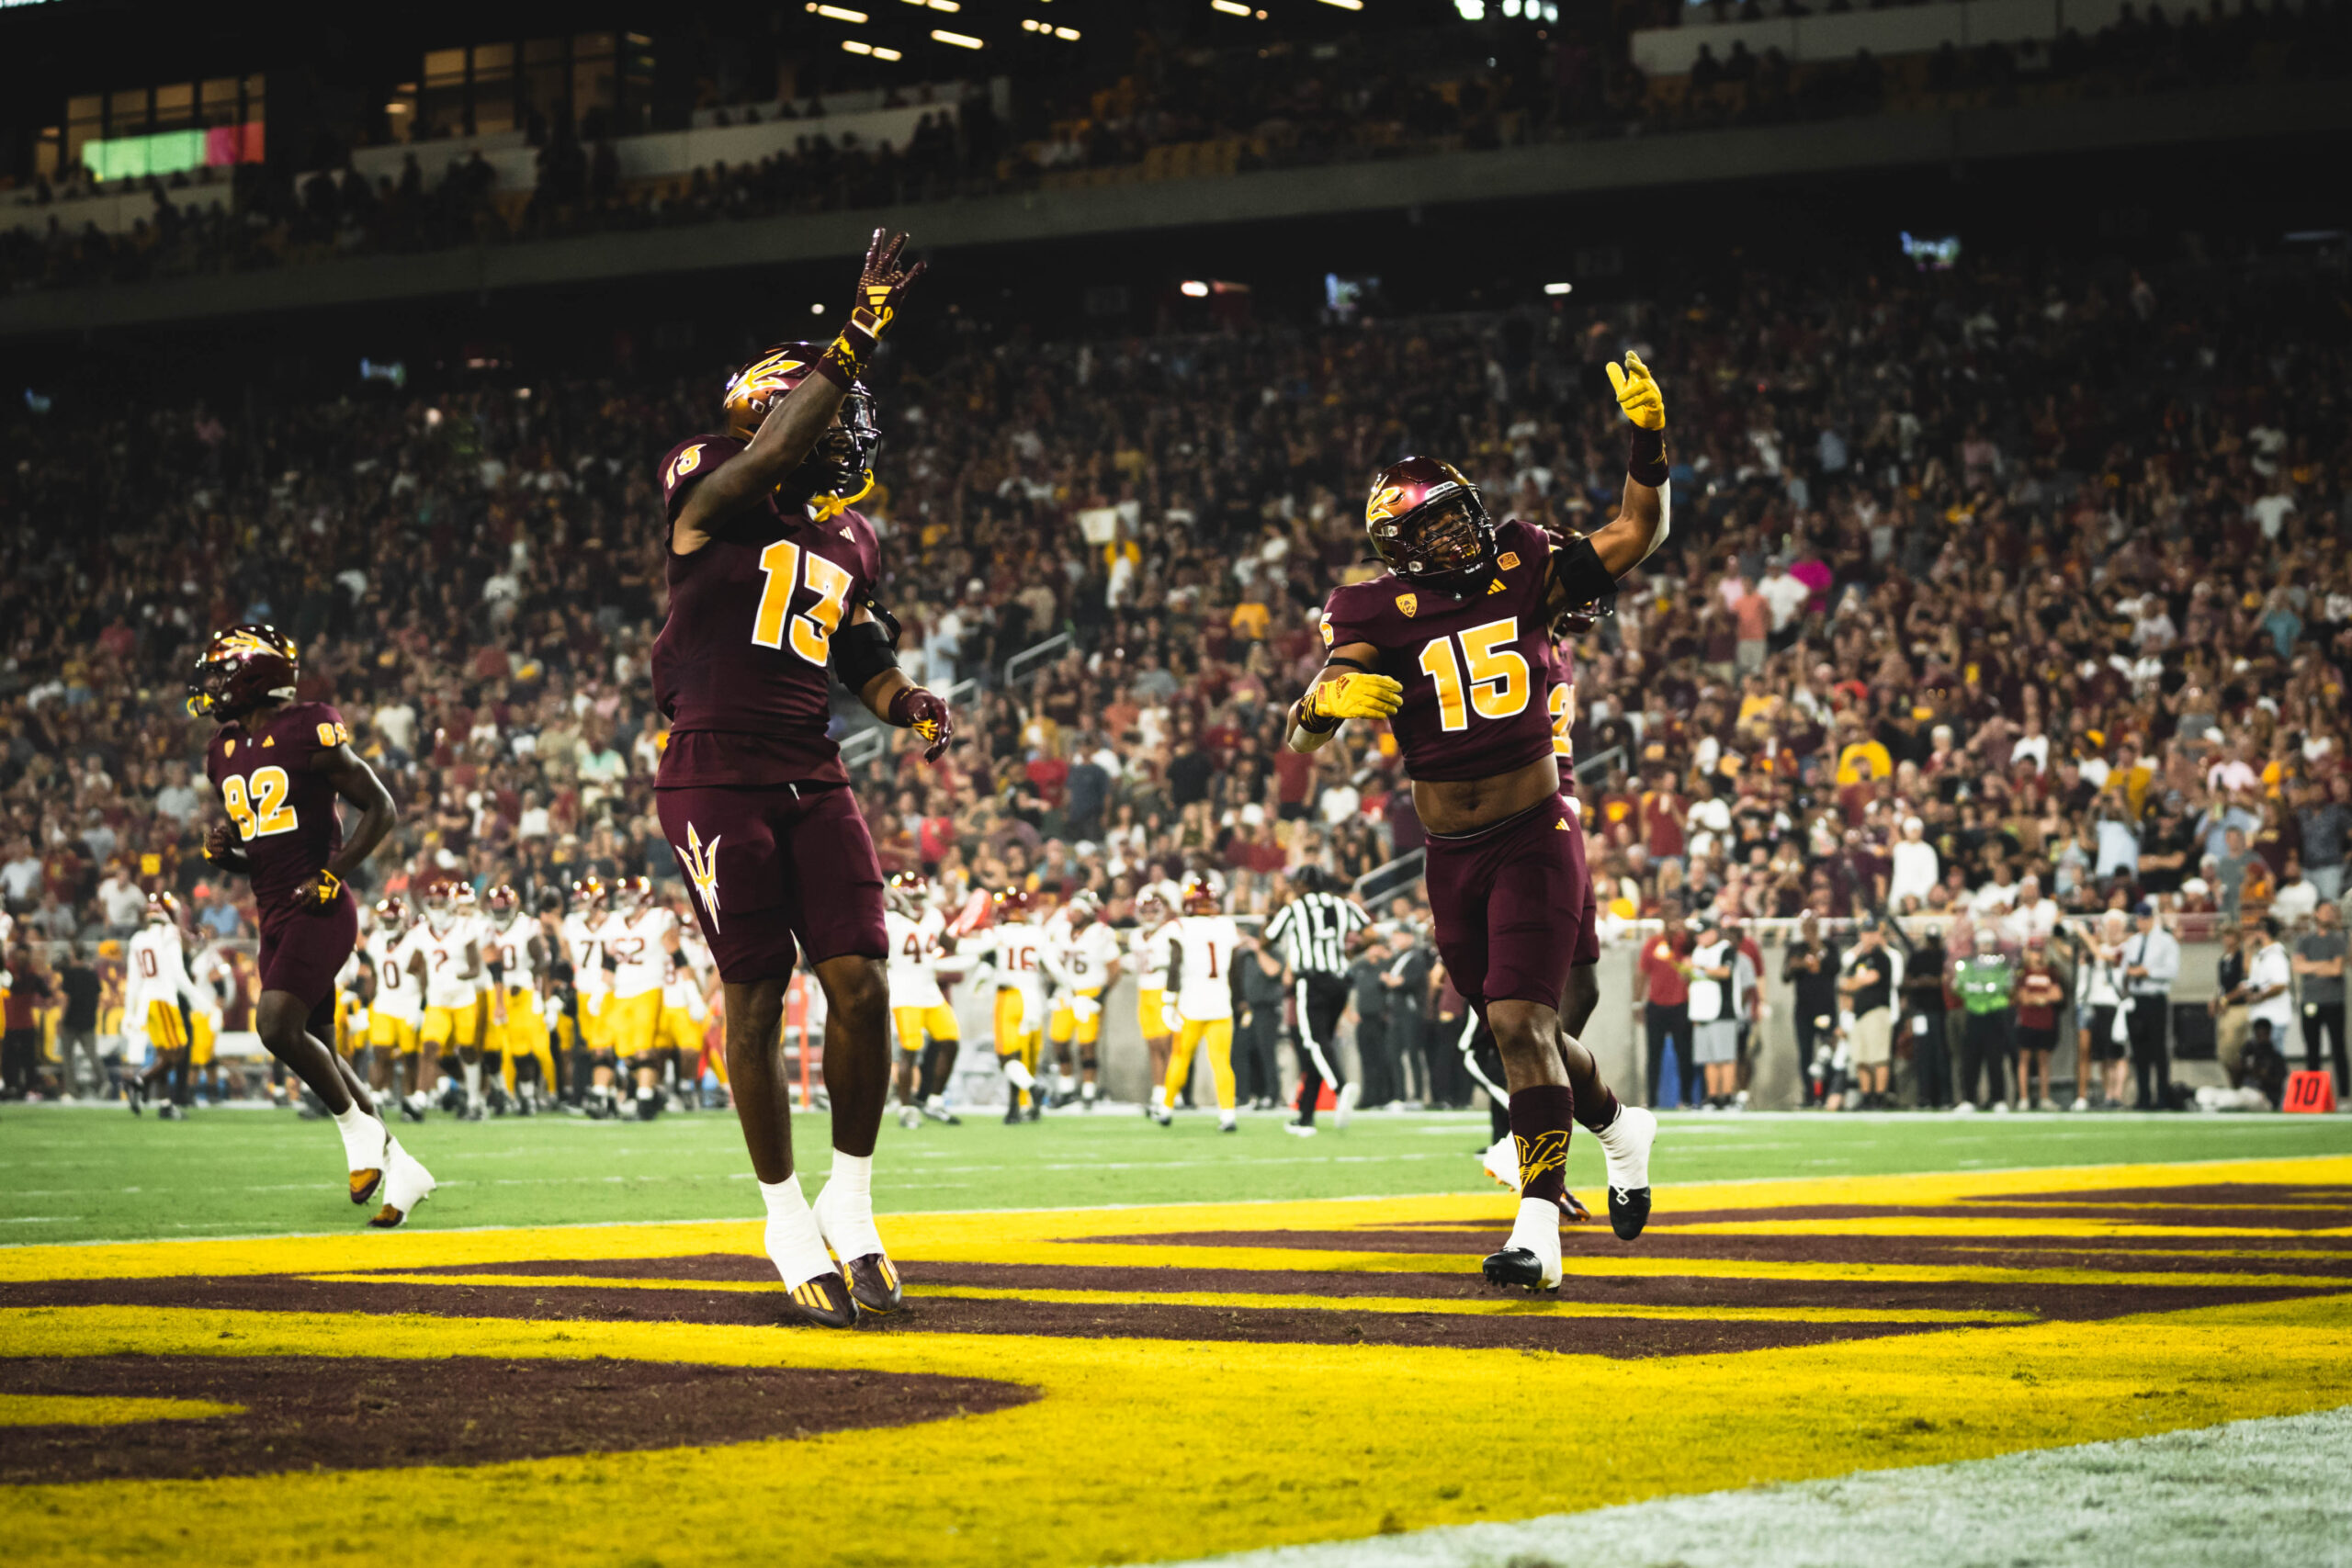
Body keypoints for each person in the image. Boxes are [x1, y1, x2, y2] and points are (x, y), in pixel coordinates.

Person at [1283, 350, 1667, 1290]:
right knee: (1516, 1030)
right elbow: (1311, 720)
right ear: (1397, 545)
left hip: (1538, 829)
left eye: (1462, 515)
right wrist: (1322, 706)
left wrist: (1649, 442)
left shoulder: (1525, 561)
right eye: (1438, 526)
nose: (1462, 535)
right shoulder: (1367, 606)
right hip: (1447, 852)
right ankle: (1620, 1125)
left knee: (1521, 1020)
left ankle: (1534, 1233)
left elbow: (1633, 533)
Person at [649, 229, 939, 1328]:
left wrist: (904, 701)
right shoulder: (705, 481)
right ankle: (781, 1215)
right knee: (758, 998)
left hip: (811, 766)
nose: (848, 431)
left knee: (863, 980)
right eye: (832, 408)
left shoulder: (852, 536)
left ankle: (852, 1203)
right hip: (715, 772)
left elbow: (857, 650)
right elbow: (765, 464)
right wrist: (857, 328)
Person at [191, 624, 430, 1224]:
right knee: (317, 1043)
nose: (215, 684)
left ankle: (357, 1131)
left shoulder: (307, 726)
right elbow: (268, 846)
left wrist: (335, 870)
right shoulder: (222, 749)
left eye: (224, 671)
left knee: (274, 1024)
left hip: (321, 907)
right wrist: (231, 855)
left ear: (256, 673)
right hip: (272, 908)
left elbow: (381, 807)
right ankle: (403, 1167)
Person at [1265, 864, 1368, 1134]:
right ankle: (1305, 1116)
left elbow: (1267, 939)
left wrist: (1276, 905)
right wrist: (1350, 952)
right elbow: (1371, 933)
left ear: (1304, 884)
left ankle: (1340, 1087)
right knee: (1322, 1045)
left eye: (1296, 884)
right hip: (1339, 981)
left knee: (1313, 1042)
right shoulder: (1341, 904)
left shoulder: (1295, 909)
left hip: (1311, 981)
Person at [1158, 874, 1241, 1131]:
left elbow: (1174, 965)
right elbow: (1235, 968)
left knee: (1180, 1058)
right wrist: (1240, 1001)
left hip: (1191, 1004)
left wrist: (1168, 1000)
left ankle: (1166, 1108)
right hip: (1220, 1003)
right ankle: (1228, 1114)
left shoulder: (1180, 926)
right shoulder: (1227, 926)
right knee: (1221, 1062)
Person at [883, 871, 961, 1128]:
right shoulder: (889, 920)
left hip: (930, 990)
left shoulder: (934, 916)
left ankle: (935, 1101)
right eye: (913, 897)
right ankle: (907, 1108)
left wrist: (972, 943)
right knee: (910, 1050)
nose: (918, 902)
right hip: (905, 992)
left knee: (951, 1040)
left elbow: (949, 943)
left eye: (920, 896)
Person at [969, 888, 1050, 1122]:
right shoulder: (1037, 933)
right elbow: (1052, 964)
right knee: (1025, 1056)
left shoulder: (995, 933)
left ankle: (1032, 1089)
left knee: (1007, 1057)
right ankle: (1016, 1108)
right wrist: (1068, 988)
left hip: (1010, 997)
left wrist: (977, 986)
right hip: (1033, 997)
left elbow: (986, 965)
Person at [603, 874, 678, 1120]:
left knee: (644, 1048)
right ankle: (651, 1092)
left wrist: (689, 991)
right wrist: (601, 990)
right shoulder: (614, 921)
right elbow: (608, 960)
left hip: (649, 986)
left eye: (630, 895)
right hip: (622, 990)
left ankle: (644, 1100)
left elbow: (676, 953)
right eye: (623, 895)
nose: (625, 900)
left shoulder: (660, 918)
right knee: (626, 1052)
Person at [411, 881, 487, 1118]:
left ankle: (474, 1099)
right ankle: (419, 1099)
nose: (436, 908)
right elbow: (415, 966)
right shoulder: (422, 932)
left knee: (467, 1050)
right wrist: (422, 995)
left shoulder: (465, 927)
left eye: (441, 903)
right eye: (432, 903)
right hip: (437, 1001)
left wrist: (454, 975)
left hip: (463, 998)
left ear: (451, 904)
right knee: (430, 1048)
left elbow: (476, 968)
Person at [123, 894, 203, 1118]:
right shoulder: (169, 934)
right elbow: (178, 973)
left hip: (147, 1000)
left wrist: (130, 1012)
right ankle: (141, 1081)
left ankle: (163, 1101)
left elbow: (133, 981)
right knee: (176, 1052)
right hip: (164, 999)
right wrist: (200, 1001)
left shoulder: (138, 939)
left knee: (165, 1055)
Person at [481, 884, 557, 1113]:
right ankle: (508, 1095)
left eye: (505, 910)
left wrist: (527, 979)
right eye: (498, 910)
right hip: (496, 993)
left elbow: (541, 960)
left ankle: (535, 1096)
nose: (501, 915)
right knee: (501, 1049)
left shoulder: (527, 926)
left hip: (523, 992)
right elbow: (491, 964)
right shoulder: (486, 929)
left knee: (529, 1049)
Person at [1042, 889, 1121, 1108]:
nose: (1074, 914)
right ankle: (1066, 1088)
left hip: (1089, 991)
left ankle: (1088, 1091)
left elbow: (1115, 968)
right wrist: (1051, 989)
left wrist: (1100, 997)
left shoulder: (1101, 932)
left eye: (1079, 910)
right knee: (1058, 1041)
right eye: (1073, 910)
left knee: (1087, 1044)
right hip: (1065, 992)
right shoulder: (1062, 931)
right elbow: (1052, 964)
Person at [2119, 902, 2181, 1110]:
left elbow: (2172, 971)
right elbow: (2125, 968)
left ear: (2152, 919)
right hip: (2136, 999)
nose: (2141, 922)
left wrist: (2147, 972)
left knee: (2158, 1050)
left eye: (2144, 918)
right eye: (2138, 918)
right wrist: (2127, 977)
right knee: (2139, 1051)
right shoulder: (2133, 942)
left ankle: (2162, 1097)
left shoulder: (2166, 941)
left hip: (2155, 998)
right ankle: (2143, 1097)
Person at [2071, 910, 2132, 1111]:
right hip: (2098, 1005)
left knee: (2118, 1054)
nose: (2113, 931)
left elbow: (2104, 956)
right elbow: (2091, 957)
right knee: (2104, 1056)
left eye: (2117, 926)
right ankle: (2108, 1095)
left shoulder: (2127, 948)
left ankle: (2118, 1094)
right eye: (2110, 926)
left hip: (2115, 1005)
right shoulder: (2099, 947)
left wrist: (2085, 934)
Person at [1129, 883, 1179, 1120]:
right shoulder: (1135, 936)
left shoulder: (1169, 932)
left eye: (1153, 911)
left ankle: (1172, 1092)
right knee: (1152, 1045)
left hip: (1161, 990)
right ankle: (1158, 1093)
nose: (1149, 915)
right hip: (1144, 991)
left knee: (1165, 1044)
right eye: (1145, 911)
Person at [1953, 927, 2015, 1112]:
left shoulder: (2002, 965)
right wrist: (1986, 989)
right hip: (1974, 1012)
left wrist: (1981, 988)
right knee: (1970, 1058)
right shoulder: (1968, 964)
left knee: (1995, 1058)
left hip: (1995, 1014)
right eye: (1983, 944)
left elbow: (2005, 986)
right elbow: (1960, 986)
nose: (1986, 947)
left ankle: (1998, 1098)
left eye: (1989, 943)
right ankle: (1968, 1098)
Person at [1784, 912, 1843, 1107]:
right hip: (1804, 1011)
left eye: (1812, 925)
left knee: (1828, 1051)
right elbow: (1785, 974)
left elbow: (1834, 967)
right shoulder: (1797, 948)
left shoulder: (1829, 946)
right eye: (1805, 925)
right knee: (1806, 1054)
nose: (1808, 929)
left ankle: (1828, 1094)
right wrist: (1801, 963)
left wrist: (1815, 944)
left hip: (1824, 1010)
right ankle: (1810, 1096)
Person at [1838, 916, 1896, 1109]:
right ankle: (1867, 1096)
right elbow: (1845, 984)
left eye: (1872, 932)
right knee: (1861, 1057)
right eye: (1865, 932)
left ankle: (1879, 1097)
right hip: (1859, 1014)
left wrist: (1855, 982)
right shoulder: (1859, 959)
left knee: (1879, 1057)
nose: (1868, 936)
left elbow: (1869, 979)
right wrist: (1855, 982)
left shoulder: (1882, 957)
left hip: (1876, 1011)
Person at [2292, 900, 2349, 1097]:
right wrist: (2323, 964)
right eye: (2325, 910)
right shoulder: (2305, 940)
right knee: (2312, 1049)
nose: (2329, 914)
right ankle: (2313, 1094)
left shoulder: (2338, 939)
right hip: (2310, 1000)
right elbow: (2298, 967)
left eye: (2332, 911)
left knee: (2338, 1048)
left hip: (2333, 1001)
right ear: (2316, 914)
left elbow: (2337, 969)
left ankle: (2343, 1095)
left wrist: (2312, 966)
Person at [1687, 917, 1740, 1108]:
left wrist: (1701, 968)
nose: (1699, 938)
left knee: (1724, 1057)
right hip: (1702, 1011)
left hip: (1722, 1009)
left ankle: (1727, 1096)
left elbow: (1726, 972)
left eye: (1703, 933)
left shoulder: (1725, 949)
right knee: (1708, 1058)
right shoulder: (1697, 952)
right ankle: (1713, 1096)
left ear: (1713, 932)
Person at [1233, 929, 1287, 1110]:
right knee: (1240, 1049)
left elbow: (1273, 971)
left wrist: (1259, 951)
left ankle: (1271, 1095)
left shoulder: (1274, 953)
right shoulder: (1245, 957)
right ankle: (1244, 1094)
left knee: (1267, 1052)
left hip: (1268, 1009)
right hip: (1249, 1010)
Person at [2014, 931, 2065, 1111]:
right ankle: (2024, 1098)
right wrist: (2041, 997)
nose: (2037, 954)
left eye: (2039, 950)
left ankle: (2045, 1097)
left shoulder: (2051, 971)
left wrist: (2037, 996)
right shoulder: (2023, 971)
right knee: (2024, 1059)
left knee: (2044, 1060)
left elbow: (2057, 994)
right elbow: (2023, 997)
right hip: (2027, 1020)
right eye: (2034, 950)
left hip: (2045, 1021)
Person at [56, 942, 104, 1100]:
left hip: (71, 1021)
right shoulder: (92, 974)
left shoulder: (69, 974)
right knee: (92, 1055)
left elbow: (66, 999)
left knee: (68, 1057)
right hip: (88, 1020)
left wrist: (60, 1020)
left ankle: (71, 1090)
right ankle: (105, 1082)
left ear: (73, 955)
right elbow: (98, 996)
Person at [2212, 925, 2252, 1089]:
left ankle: (2239, 1084)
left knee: (2234, 1051)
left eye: (2230, 936)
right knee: (2223, 1053)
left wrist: (2225, 1000)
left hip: (2238, 1008)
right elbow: (2221, 986)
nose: (2227, 940)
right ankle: (2234, 1085)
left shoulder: (2242, 958)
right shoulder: (2223, 960)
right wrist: (2215, 1001)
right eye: (2225, 936)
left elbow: (2245, 986)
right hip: (2225, 1010)